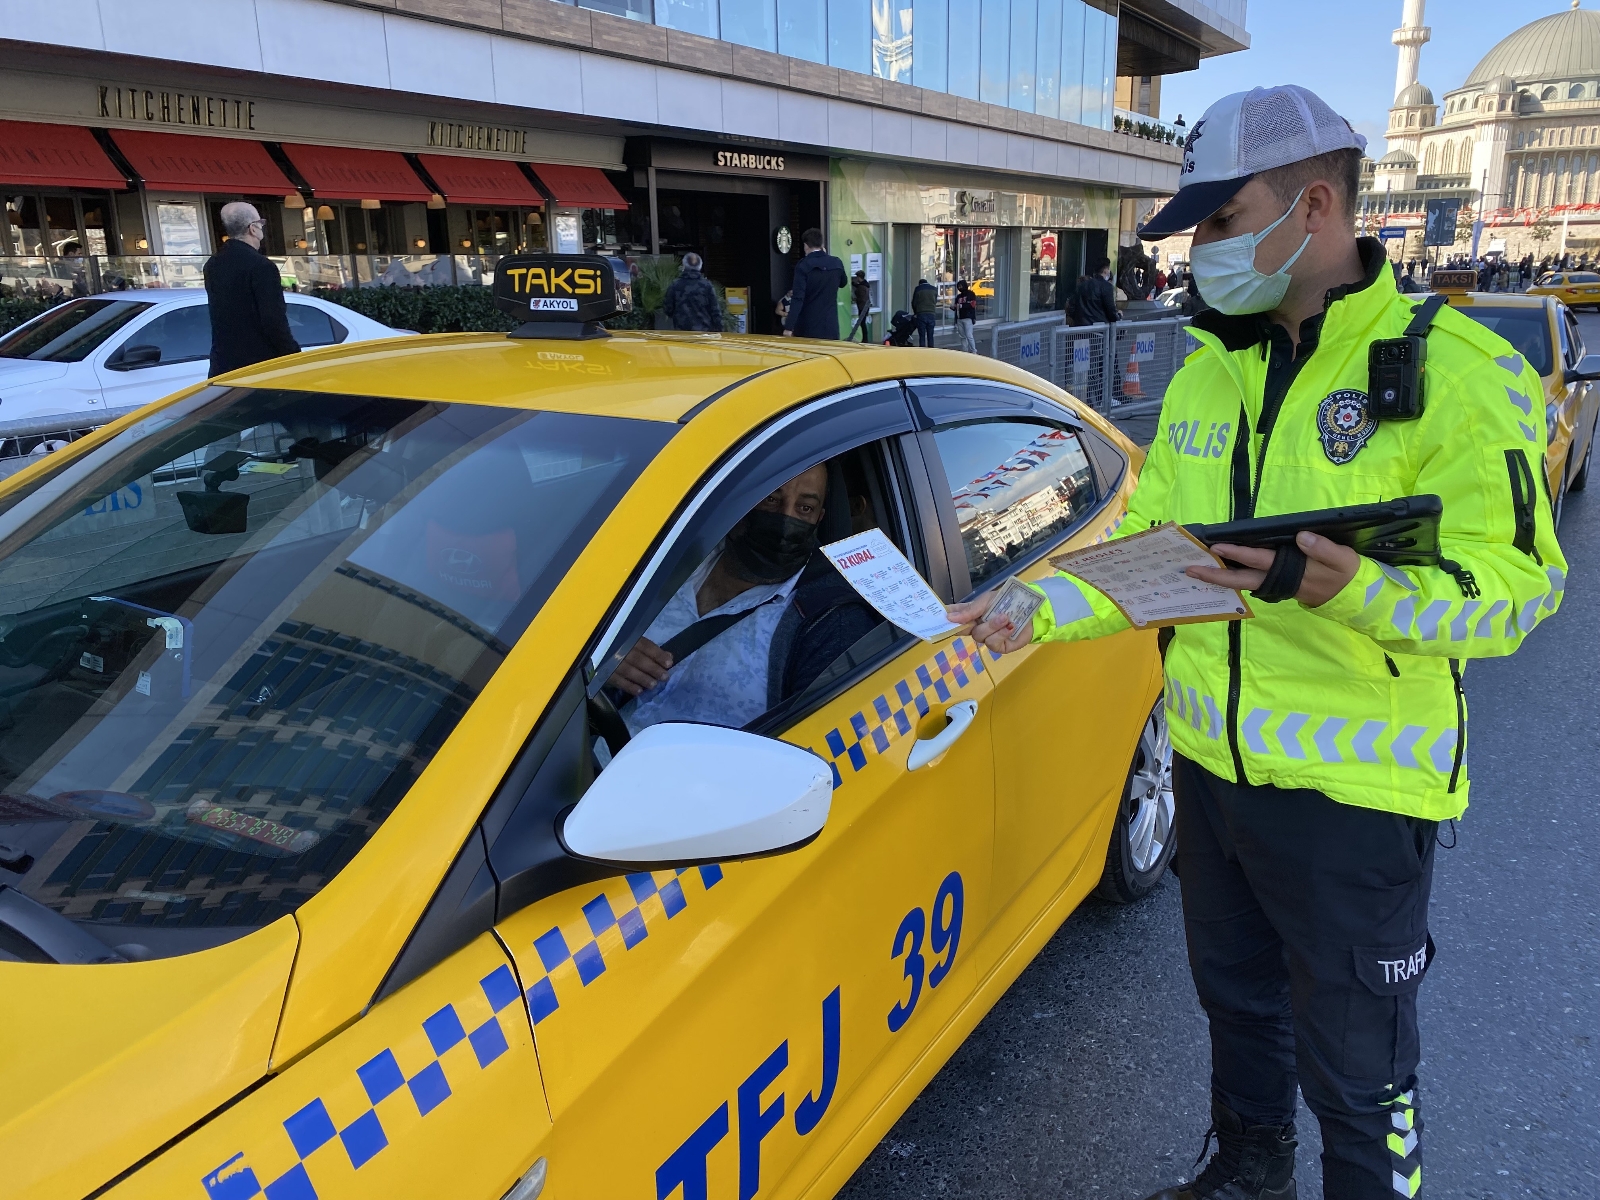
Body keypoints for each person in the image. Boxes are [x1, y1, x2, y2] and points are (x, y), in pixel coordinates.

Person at [949, 84, 1563, 1200]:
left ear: (1313, 205)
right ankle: (1246, 1173)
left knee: (1359, 1073)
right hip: (1210, 770)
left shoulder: (1463, 373)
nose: (1200, 253)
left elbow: (1517, 592)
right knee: (1236, 1006)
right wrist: (1035, 605)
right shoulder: (1206, 373)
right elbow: (1147, 549)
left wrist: (1356, 589)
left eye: (1222, 222)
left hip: (1356, 794)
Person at [613, 464, 878, 733]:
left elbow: (819, 741)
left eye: (805, 508)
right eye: (771, 499)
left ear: (818, 518)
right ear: (743, 499)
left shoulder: (831, 620)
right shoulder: (667, 557)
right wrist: (602, 662)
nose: (785, 518)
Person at [204, 201, 299, 376]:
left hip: (223, 364)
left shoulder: (212, 264)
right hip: (260, 365)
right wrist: (293, 355)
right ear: (253, 228)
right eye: (261, 223)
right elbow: (273, 320)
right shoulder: (262, 266)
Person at [782, 228, 846, 339]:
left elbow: (798, 298)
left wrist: (789, 327)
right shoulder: (836, 262)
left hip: (808, 326)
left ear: (806, 246)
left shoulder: (803, 266)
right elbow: (843, 283)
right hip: (830, 325)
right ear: (822, 244)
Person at [661, 252, 721, 332]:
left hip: (682, 331)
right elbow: (715, 311)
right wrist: (719, 330)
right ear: (700, 266)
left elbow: (668, 309)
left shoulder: (675, 285)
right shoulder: (707, 286)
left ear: (684, 266)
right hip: (704, 332)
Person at [1074, 257, 1119, 325]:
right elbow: (1111, 311)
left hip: (1082, 327)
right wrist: (1118, 316)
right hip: (1100, 327)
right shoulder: (1107, 287)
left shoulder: (1082, 285)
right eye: (1108, 268)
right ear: (1105, 270)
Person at [910, 277, 938, 346]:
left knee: (922, 335)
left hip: (921, 314)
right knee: (930, 335)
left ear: (920, 284)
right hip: (931, 313)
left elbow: (914, 302)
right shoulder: (934, 289)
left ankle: (922, 349)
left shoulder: (918, 289)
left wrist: (915, 312)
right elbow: (935, 301)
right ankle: (931, 348)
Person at [954, 280, 978, 353]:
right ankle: (965, 351)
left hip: (968, 318)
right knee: (962, 336)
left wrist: (961, 306)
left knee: (969, 335)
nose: (959, 288)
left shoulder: (971, 294)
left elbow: (972, 305)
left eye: (961, 286)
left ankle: (973, 350)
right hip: (959, 318)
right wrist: (954, 307)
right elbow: (956, 307)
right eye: (958, 286)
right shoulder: (958, 296)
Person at [849, 269, 872, 342]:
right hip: (865, 306)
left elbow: (861, 298)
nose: (856, 278)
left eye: (857, 277)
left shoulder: (861, 287)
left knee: (862, 323)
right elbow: (858, 286)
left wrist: (855, 299)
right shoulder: (865, 284)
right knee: (863, 323)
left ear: (859, 277)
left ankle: (865, 339)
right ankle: (865, 339)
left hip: (862, 307)